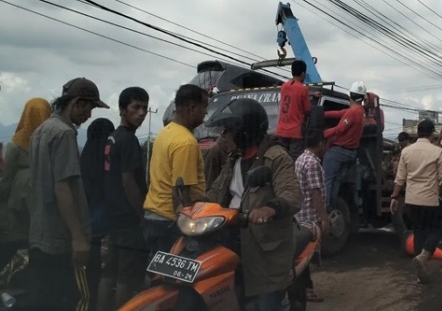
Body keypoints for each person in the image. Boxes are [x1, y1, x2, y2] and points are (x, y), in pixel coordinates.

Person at [206, 98, 303, 310]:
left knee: (266, 303)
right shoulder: (233, 160)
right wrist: (195, 205)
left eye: (228, 130)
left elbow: (293, 195)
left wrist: (270, 209)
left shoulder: (276, 157)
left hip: (264, 247)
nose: (223, 136)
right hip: (231, 238)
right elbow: (216, 191)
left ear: (244, 131)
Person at [28, 77, 109, 310]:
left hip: (40, 235)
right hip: (62, 239)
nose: (89, 115)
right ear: (76, 103)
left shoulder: (41, 130)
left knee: (44, 300)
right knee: (76, 299)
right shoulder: (65, 133)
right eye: (89, 107)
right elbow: (62, 187)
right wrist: (78, 237)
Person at [98, 87, 150, 310]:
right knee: (127, 277)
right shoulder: (128, 140)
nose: (141, 113)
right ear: (122, 110)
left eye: (145, 108)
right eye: (136, 107)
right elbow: (128, 181)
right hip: (129, 218)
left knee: (110, 270)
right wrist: (141, 214)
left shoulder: (112, 138)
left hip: (113, 215)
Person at [142, 84, 208, 260]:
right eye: (204, 108)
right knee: (176, 282)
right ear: (192, 108)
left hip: (153, 218)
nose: (205, 115)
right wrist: (189, 228)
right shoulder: (185, 142)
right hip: (171, 222)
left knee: (157, 277)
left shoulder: (165, 133)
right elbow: (180, 192)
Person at [390, 119, 442, 284]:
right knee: (438, 228)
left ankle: (419, 274)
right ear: (432, 133)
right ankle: (424, 255)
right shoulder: (438, 152)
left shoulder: (407, 152)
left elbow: (399, 179)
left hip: (411, 200)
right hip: (430, 200)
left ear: (418, 132)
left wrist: (394, 197)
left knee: (418, 232)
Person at [0, 98, 51, 271]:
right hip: (21, 207)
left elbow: (5, 179)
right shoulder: (18, 144)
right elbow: (6, 178)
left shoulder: (48, 141)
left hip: (27, 205)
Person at [79, 118, 116, 311]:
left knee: (89, 269)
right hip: (105, 221)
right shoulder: (109, 155)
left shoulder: (85, 155)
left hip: (87, 221)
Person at [294, 129, 330, 302]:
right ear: (321, 144)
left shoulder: (301, 159)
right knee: (306, 257)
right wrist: (323, 218)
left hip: (300, 214)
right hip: (310, 215)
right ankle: (305, 290)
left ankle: (304, 288)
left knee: (302, 255)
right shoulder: (313, 163)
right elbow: (315, 192)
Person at [322, 81, 367, 207]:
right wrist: (323, 113)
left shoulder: (353, 112)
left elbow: (340, 129)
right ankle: (331, 206)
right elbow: (340, 113)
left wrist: (323, 133)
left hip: (339, 151)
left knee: (326, 180)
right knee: (335, 181)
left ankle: (324, 208)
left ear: (350, 96)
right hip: (350, 152)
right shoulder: (360, 111)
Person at [275, 60, 321, 161]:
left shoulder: (284, 86)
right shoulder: (303, 89)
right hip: (295, 132)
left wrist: (310, 95)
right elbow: (308, 109)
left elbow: (293, 96)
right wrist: (312, 97)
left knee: (282, 160)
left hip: (281, 130)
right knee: (295, 161)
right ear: (303, 73)